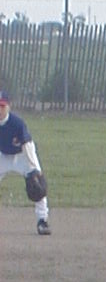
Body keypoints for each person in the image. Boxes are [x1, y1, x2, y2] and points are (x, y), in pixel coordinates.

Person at [0, 90, 51, 234]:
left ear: (8, 107)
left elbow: (27, 145)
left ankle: (42, 221)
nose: (0, 110)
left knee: (37, 185)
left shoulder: (17, 123)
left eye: (2, 106)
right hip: (3, 155)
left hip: (22, 155)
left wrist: (34, 169)